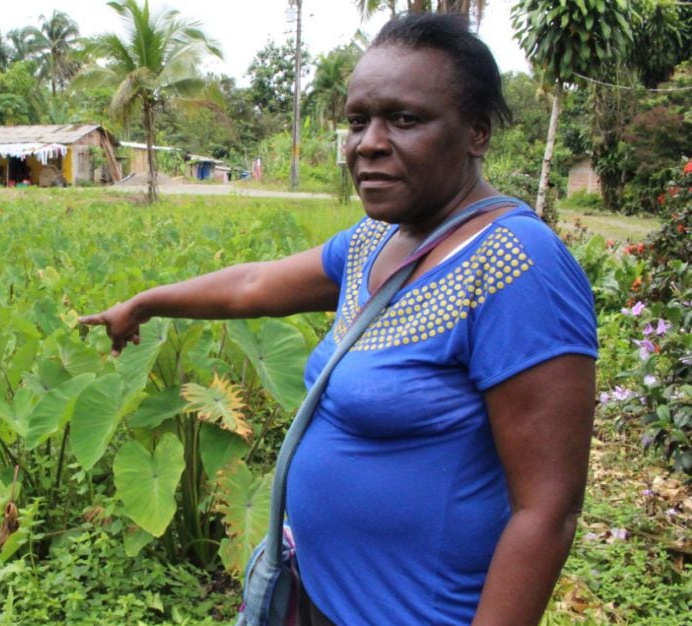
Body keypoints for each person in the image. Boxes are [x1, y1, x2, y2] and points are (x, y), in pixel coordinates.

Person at [80, 13, 597, 626]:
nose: (367, 144)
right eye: (357, 121)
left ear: (477, 133)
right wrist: (146, 302)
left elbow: (546, 512)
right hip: (319, 596)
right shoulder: (377, 240)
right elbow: (253, 284)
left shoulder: (517, 265)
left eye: (404, 119)